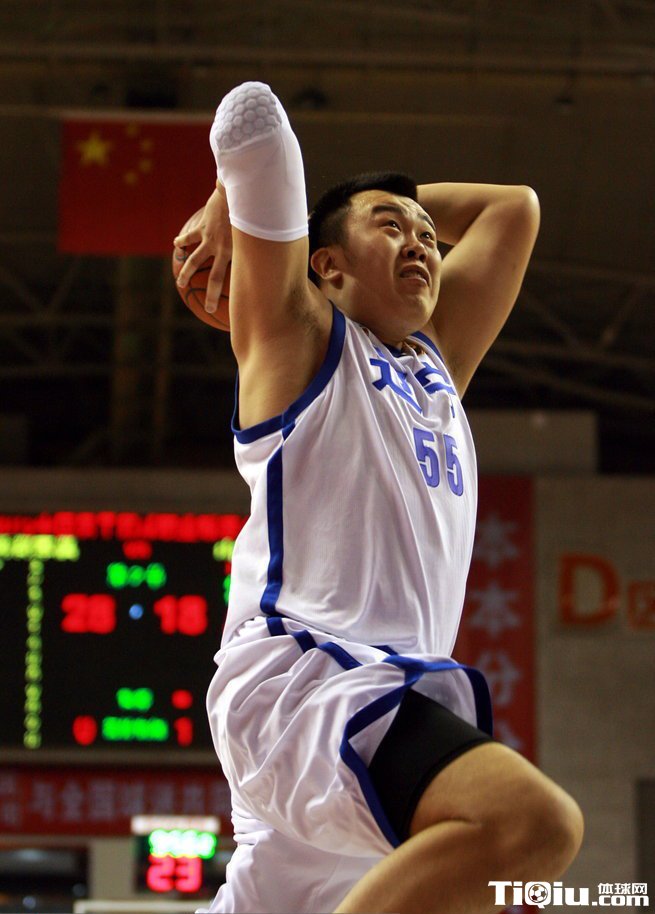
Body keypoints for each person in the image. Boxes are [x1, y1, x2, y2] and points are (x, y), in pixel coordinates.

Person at [174, 82, 583, 914]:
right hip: (301, 682)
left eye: (428, 235)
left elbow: (514, 209)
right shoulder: (297, 335)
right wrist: (231, 200)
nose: (422, 243)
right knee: (530, 827)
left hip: (376, 695)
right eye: (391, 227)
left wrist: (379, 208)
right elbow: (251, 118)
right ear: (325, 264)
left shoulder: (434, 367)